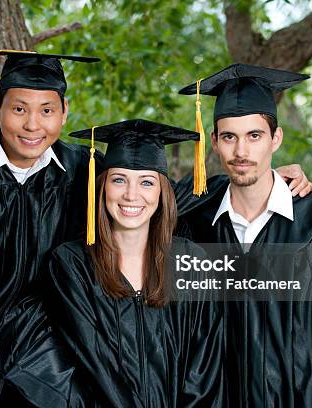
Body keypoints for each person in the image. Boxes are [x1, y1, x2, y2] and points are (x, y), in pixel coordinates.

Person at [0, 50, 310, 406]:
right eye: (19, 109)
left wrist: (260, 177)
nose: (32, 125)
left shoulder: (83, 170)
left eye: (47, 110)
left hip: (41, 333)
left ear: (64, 112)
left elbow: (159, 195)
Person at [177, 63, 312, 407]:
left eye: (254, 136)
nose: (241, 152)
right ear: (214, 142)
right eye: (229, 137)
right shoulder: (194, 226)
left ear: (276, 138)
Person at [46, 119, 225, 407]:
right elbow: (94, 366)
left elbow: (204, 369)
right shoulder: (72, 265)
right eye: (119, 180)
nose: (131, 194)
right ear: (102, 187)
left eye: (146, 182)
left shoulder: (191, 262)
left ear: (161, 192)